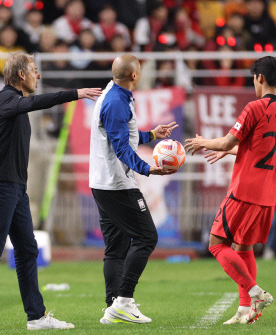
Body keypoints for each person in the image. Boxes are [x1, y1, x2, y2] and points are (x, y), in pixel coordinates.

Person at [0, 52, 101, 332]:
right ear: (21, 75)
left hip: (14, 188)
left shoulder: (16, 103)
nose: (39, 75)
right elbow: (34, 102)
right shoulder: (5, 99)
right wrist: (75, 93)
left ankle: (36, 316)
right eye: (34, 70)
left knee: (27, 251)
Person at [185, 56, 276, 324]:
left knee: (217, 244)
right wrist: (235, 151)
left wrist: (204, 142)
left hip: (244, 190)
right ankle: (245, 309)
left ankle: (255, 292)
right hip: (268, 193)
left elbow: (226, 141)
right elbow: (261, 148)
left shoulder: (255, 107)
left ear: (260, 78)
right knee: (244, 248)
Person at [89, 54, 178, 325]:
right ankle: (124, 300)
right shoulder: (117, 101)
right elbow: (120, 146)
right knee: (147, 237)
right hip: (117, 184)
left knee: (116, 247)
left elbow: (123, 134)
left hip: (103, 183)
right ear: (135, 76)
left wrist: (152, 135)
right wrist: (147, 168)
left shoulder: (114, 95)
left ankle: (112, 307)